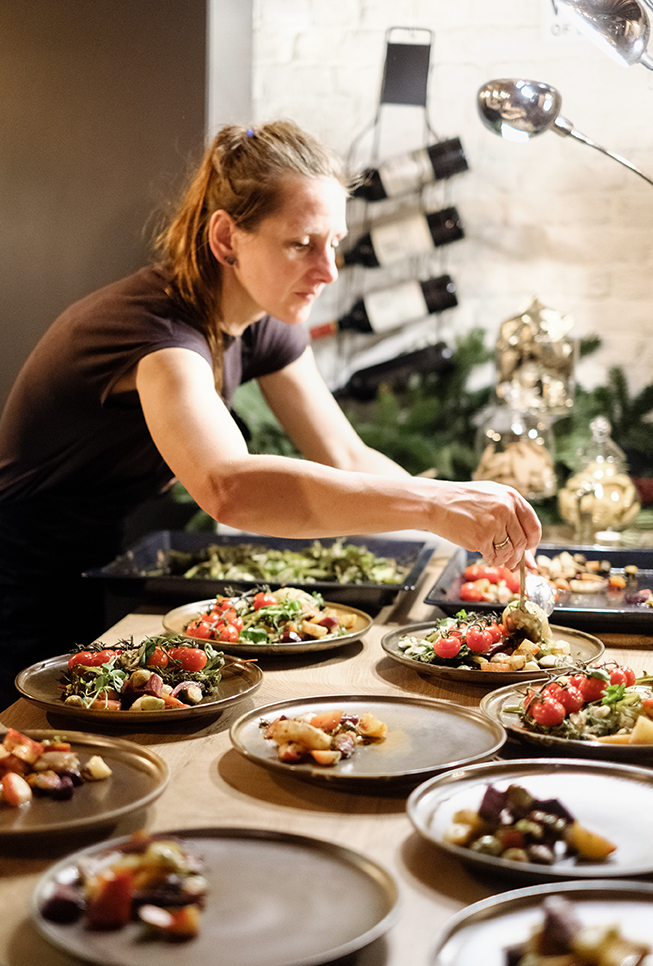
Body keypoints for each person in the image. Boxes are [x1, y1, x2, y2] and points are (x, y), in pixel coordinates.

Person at [0, 119, 541, 699]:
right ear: (227, 238)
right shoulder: (156, 334)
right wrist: (434, 507)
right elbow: (229, 487)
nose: (328, 270)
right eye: (300, 243)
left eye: (333, 242)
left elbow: (346, 454)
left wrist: (461, 541)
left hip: (96, 553)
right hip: (17, 574)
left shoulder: (261, 322)